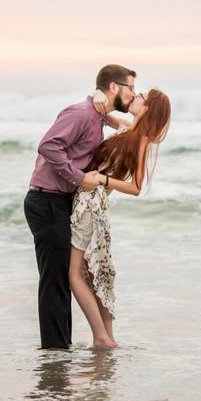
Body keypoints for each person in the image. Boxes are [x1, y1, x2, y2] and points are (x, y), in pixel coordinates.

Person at [24, 64, 138, 350]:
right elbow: (48, 146)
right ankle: (54, 353)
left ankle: (60, 349)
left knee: (62, 278)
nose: (133, 93)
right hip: (46, 200)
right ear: (115, 87)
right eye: (131, 88)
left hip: (60, 201)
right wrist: (79, 178)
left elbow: (115, 124)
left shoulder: (97, 115)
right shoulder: (81, 113)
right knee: (55, 281)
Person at [69, 87, 172, 350]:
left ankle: (101, 338)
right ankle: (108, 337)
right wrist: (97, 95)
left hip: (92, 203)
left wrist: (102, 179)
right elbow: (102, 114)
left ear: (147, 108)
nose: (135, 97)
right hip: (90, 202)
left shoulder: (141, 141)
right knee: (93, 271)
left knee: (74, 274)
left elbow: (136, 187)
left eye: (141, 97)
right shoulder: (129, 129)